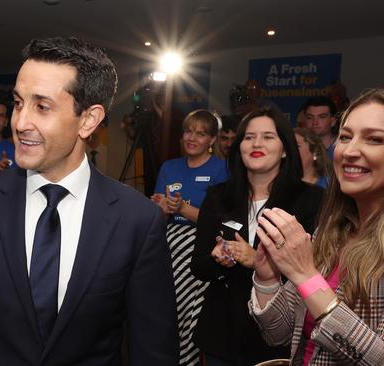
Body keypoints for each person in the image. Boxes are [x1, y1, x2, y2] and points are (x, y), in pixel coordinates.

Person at [0, 36, 179, 365]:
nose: (20, 123)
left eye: (41, 106)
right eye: (18, 103)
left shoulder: (137, 220)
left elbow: (154, 350)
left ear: (88, 120)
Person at [250, 88, 384, 365]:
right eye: (346, 137)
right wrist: (267, 279)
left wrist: (305, 276)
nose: (349, 150)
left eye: (374, 139)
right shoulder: (333, 232)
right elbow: (280, 334)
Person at [191, 107, 324, 366]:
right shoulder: (218, 196)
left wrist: (259, 262)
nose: (257, 143)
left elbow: (316, 272)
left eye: (267, 137)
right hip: (223, 332)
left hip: (278, 337)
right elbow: (198, 267)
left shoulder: (310, 200)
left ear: (285, 149)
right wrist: (217, 258)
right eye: (249, 137)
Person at [150, 109, 228, 366]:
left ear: (212, 140)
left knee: (190, 317)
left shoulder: (222, 169)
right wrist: (161, 210)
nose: (192, 138)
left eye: (201, 133)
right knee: (164, 310)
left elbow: (219, 221)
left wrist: (182, 208)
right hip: (169, 245)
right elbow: (159, 218)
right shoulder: (169, 167)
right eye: (188, 131)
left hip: (202, 247)